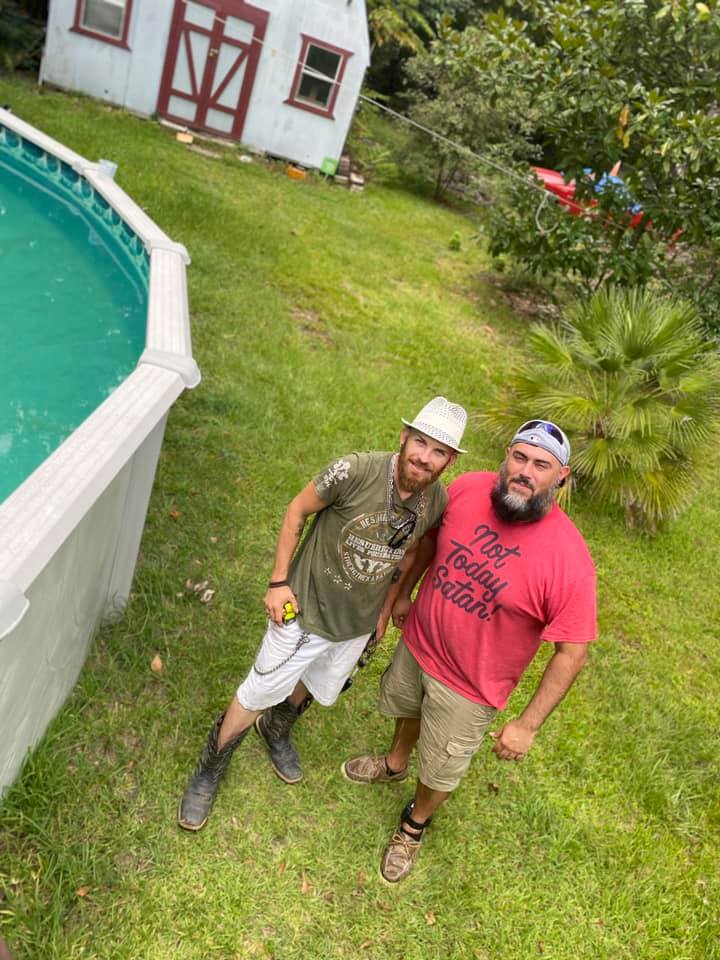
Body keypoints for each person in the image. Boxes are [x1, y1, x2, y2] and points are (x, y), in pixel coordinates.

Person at [177, 397, 468, 831]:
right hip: (305, 609)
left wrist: (386, 608)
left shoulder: (435, 501)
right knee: (257, 692)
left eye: (438, 451)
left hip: (357, 622)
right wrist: (278, 582)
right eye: (420, 443)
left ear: (449, 461)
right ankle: (209, 771)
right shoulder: (354, 470)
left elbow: (410, 553)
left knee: (315, 683)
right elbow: (296, 510)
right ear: (404, 437)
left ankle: (276, 729)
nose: (425, 457)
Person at [343, 419, 596, 883]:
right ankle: (394, 764)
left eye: (541, 465)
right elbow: (430, 542)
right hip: (420, 642)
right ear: (506, 456)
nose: (526, 472)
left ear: (561, 476)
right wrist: (404, 593)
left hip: (471, 685)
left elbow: (572, 652)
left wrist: (526, 726)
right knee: (407, 710)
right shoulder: (469, 488)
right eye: (520, 457)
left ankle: (415, 823)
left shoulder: (570, 560)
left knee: (441, 766)